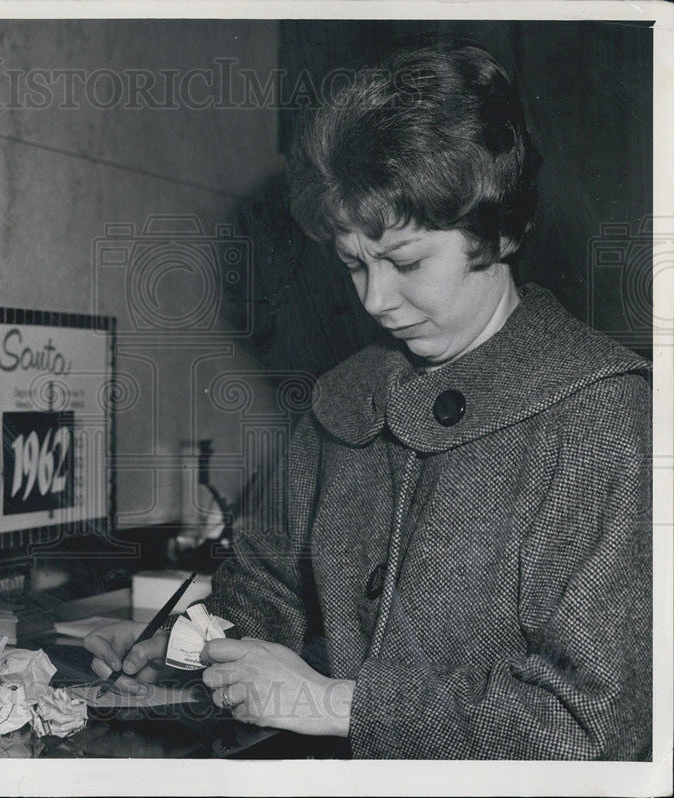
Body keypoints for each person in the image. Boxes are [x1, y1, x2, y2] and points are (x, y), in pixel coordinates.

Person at [84, 40, 652, 759]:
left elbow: (593, 729)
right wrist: (192, 653)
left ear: (500, 232)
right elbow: (266, 593)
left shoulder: (604, 418)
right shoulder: (344, 397)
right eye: (355, 264)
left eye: (407, 262)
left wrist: (335, 704)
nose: (378, 300)